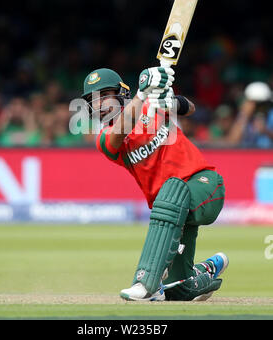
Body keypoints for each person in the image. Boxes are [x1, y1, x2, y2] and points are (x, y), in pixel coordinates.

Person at [82, 67, 229, 302]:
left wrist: (170, 100)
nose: (99, 104)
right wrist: (142, 95)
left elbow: (191, 108)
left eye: (104, 95)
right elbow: (121, 130)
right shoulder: (104, 139)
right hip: (171, 212)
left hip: (204, 186)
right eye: (93, 100)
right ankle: (206, 270)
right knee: (177, 290)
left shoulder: (154, 106)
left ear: (121, 93)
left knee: (171, 189)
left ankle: (145, 282)